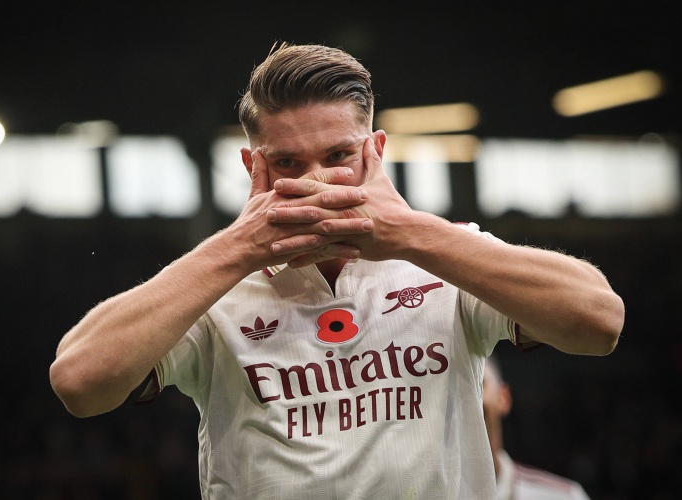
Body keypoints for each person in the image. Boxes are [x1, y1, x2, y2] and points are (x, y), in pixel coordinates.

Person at [49, 42, 625, 499]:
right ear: (252, 166)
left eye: (338, 156)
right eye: (288, 163)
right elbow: (78, 382)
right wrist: (237, 249)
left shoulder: (445, 257)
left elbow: (600, 321)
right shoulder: (214, 286)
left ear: (376, 151)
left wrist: (408, 233)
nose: (317, 182)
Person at [483, 354, 592, 499]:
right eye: (454, 390)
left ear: (503, 398)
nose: (465, 400)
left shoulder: (563, 497)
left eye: (478, 384)